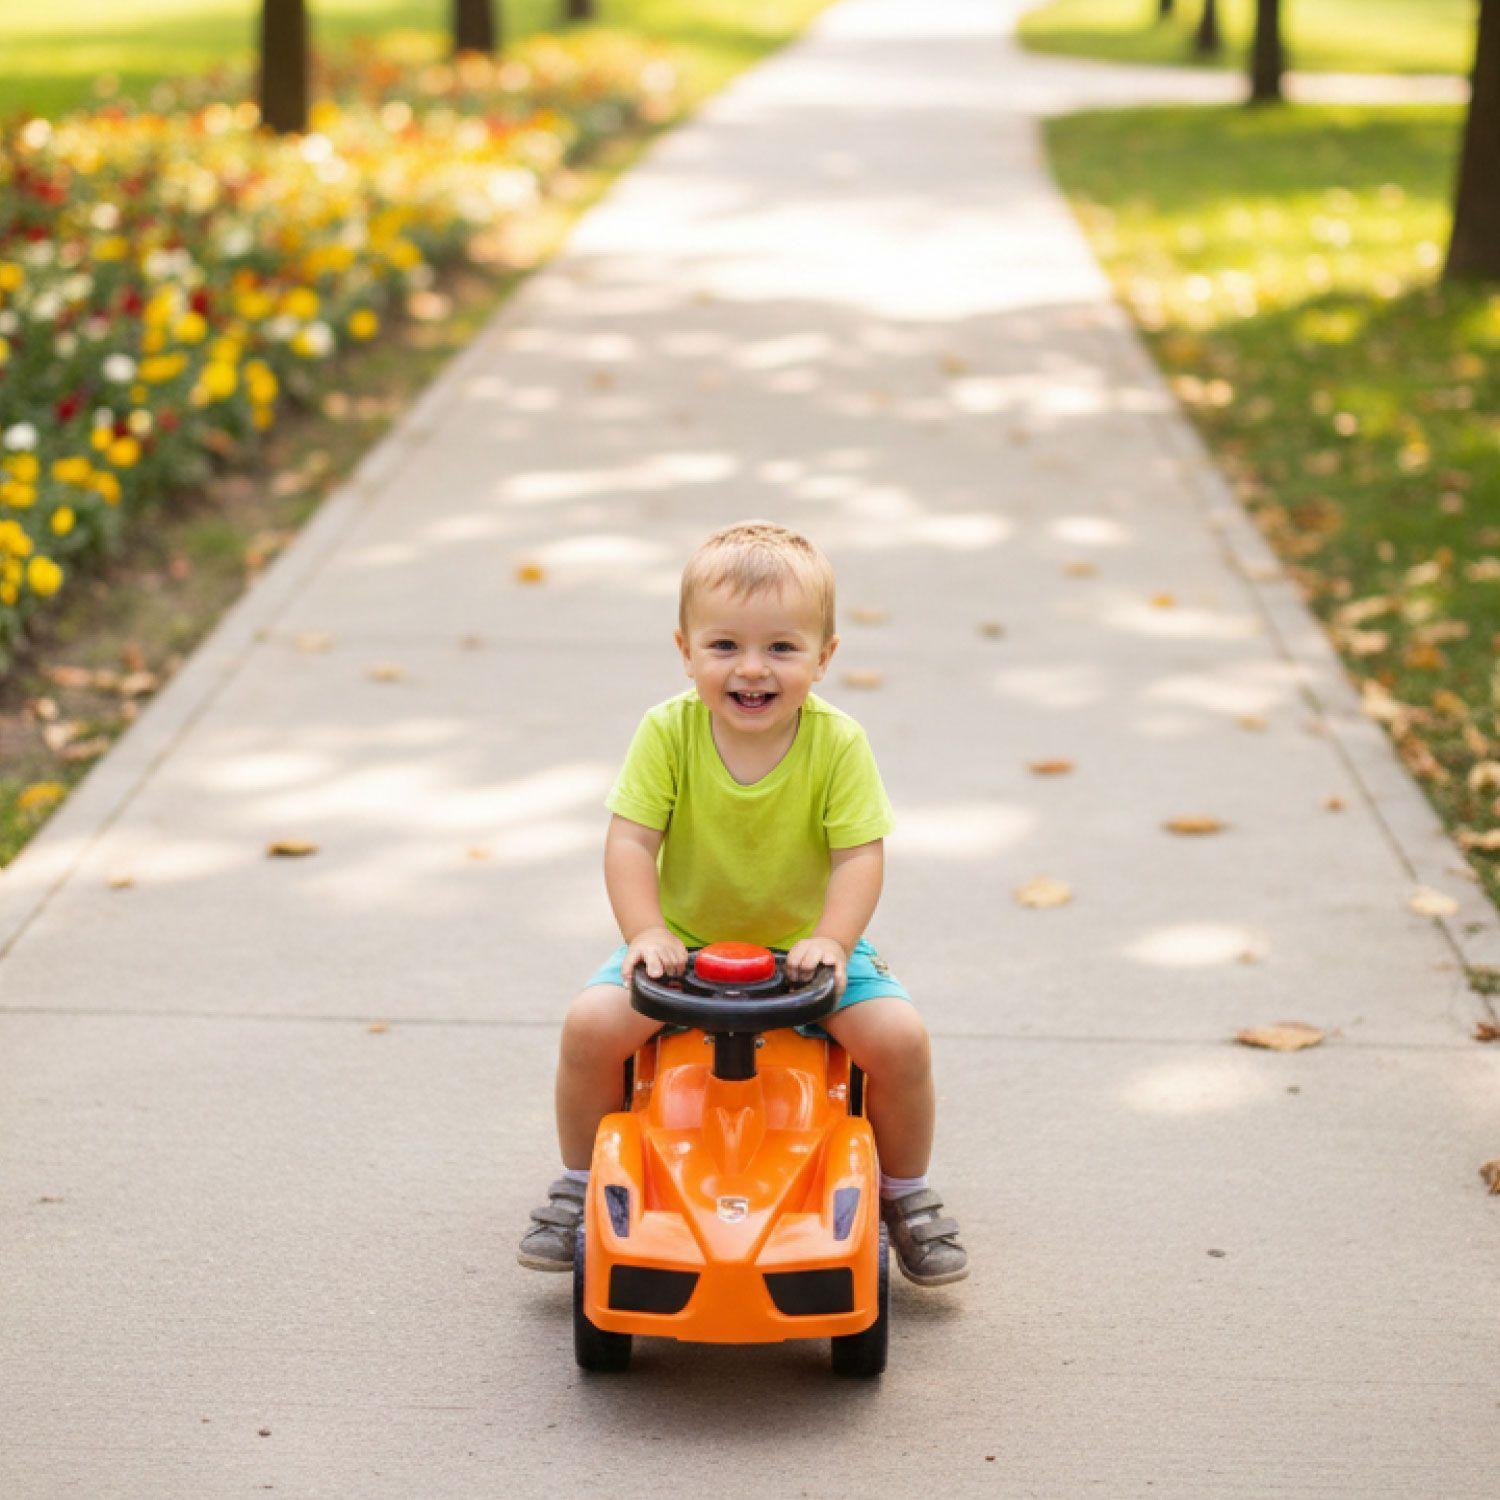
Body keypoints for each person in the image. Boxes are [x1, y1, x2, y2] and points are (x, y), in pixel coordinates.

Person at [518, 520, 967, 1286]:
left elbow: (860, 854)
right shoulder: (667, 732)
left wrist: (832, 937)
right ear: (685, 649)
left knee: (900, 1041)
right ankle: (579, 1180)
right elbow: (630, 843)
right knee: (591, 1027)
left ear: (823, 658)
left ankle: (904, 1193)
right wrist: (647, 929)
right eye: (724, 646)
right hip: (685, 946)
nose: (751, 670)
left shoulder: (839, 744)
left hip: (808, 953)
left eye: (781, 649)